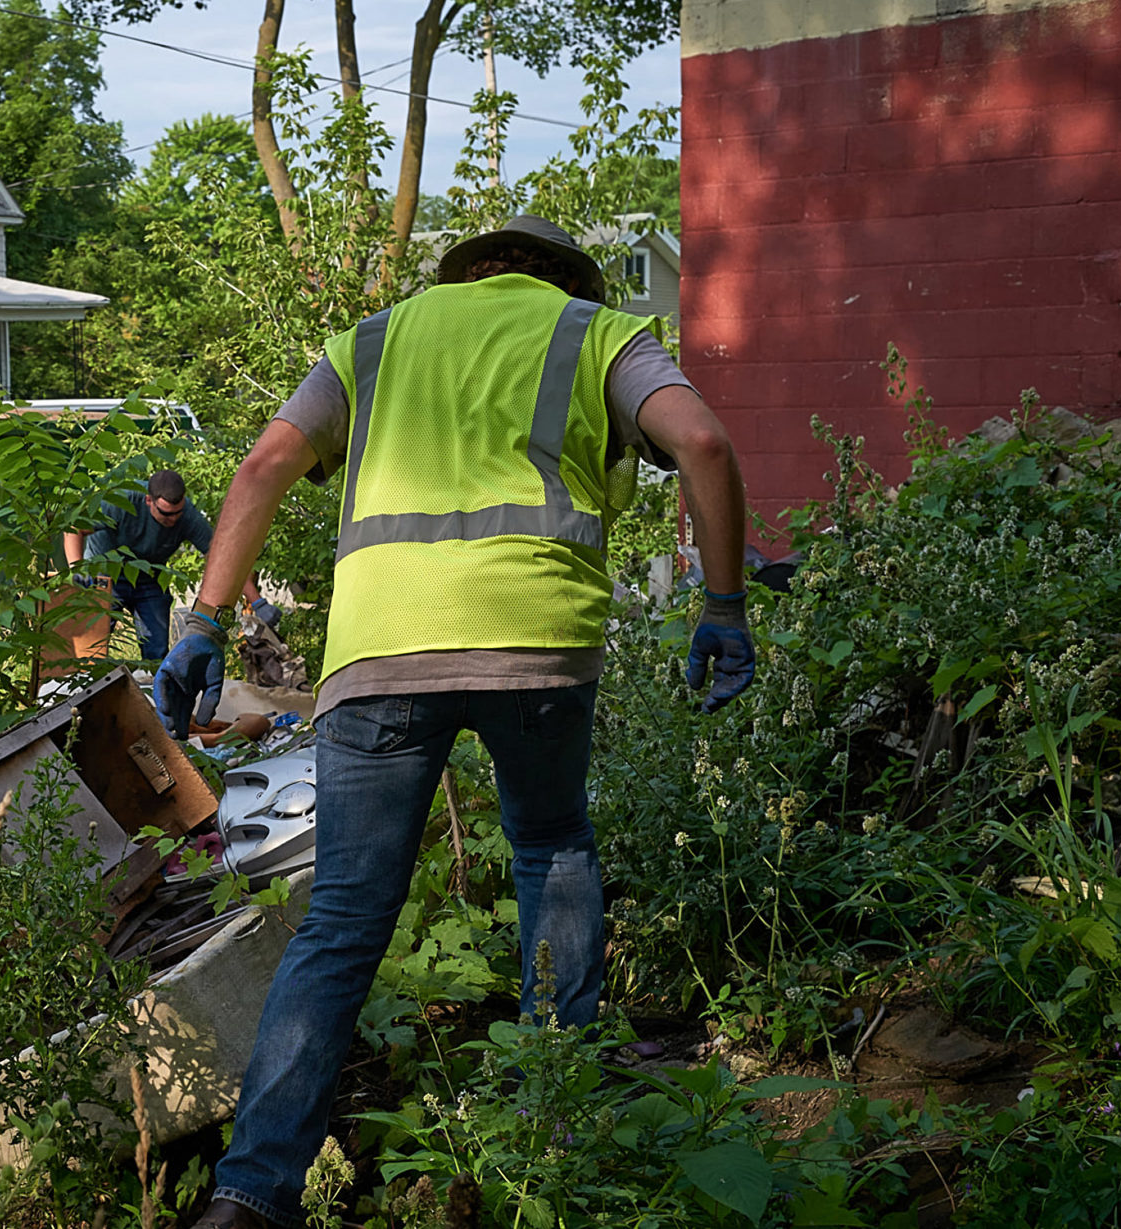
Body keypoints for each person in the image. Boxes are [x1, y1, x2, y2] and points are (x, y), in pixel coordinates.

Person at [166, 216, 757, 1229]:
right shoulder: (597, 333)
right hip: (537, 641)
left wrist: (204, 619)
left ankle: (250, 1192)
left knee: (344, 923)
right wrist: (722, 605)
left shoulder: (372, 338)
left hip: (380, 651)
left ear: (467, 274)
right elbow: (699, 440)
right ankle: (552, 1125)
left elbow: (262, 463)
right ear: (562, 279)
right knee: (550, 849)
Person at [62, 470, 276, 663]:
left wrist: (258, 602)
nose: (173, 519)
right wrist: (76, 569)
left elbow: (224, 559)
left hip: (149, 580)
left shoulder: (188, 516)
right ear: (149, 500)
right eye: (166, 514)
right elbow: (74, 527)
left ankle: (152, 698)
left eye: (177, 512)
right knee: (90, 649)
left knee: (157, 651)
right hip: (105, 576)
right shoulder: (122, 501)